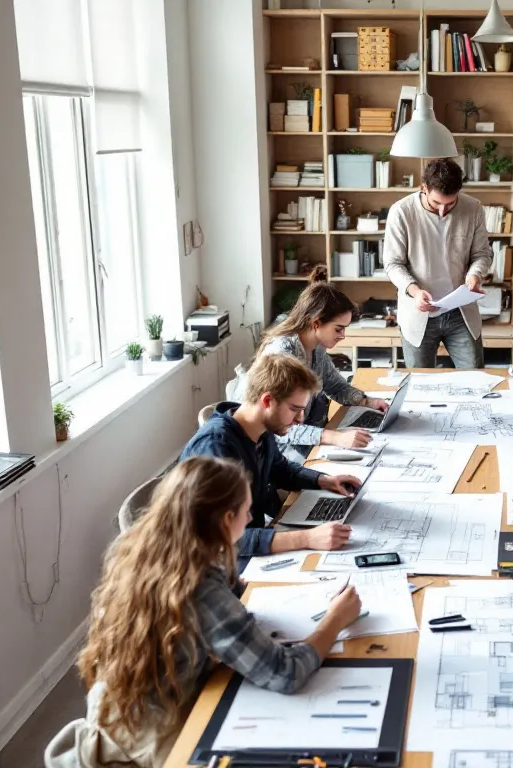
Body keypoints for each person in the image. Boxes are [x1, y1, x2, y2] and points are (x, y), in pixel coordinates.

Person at [45, 458, 363, 767]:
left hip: (117, 703)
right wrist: (335, 619)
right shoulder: (198, 587)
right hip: (152, 729)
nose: (251, 516)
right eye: (246, 510)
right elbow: (284, 673)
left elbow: (228, 596)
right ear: (225, 520)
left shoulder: (142, 549)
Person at [181, 355, 361, 570]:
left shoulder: (261, 427)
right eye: (294, 409)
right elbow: (222, 537)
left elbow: (279, 468)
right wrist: (306, 538)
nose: (300, 419)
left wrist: (324, 480)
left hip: (255, 537)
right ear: (267, 401)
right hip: (217, 565)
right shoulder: (215, 448)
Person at [234, 265, 390, 457]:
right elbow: (278, 426)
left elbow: (335, 386)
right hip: (273, 450)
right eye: (338, 329)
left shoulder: (317, 346)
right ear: (316, 323)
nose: (343, 336)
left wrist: (368, 401)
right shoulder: (282, 354)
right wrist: (334, 437)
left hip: (303, 439)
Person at [384, 158, 494, 369]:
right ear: (423, 188)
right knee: (419, 381)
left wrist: (475, 275)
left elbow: (482, 254)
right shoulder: (401, 212)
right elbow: (393, 263)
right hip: (418, 313)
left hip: (461, 312)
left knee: (475, 378)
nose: (443, 211)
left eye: (450, 203)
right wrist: (415, 291)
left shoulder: (473, 208)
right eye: (436, 203)